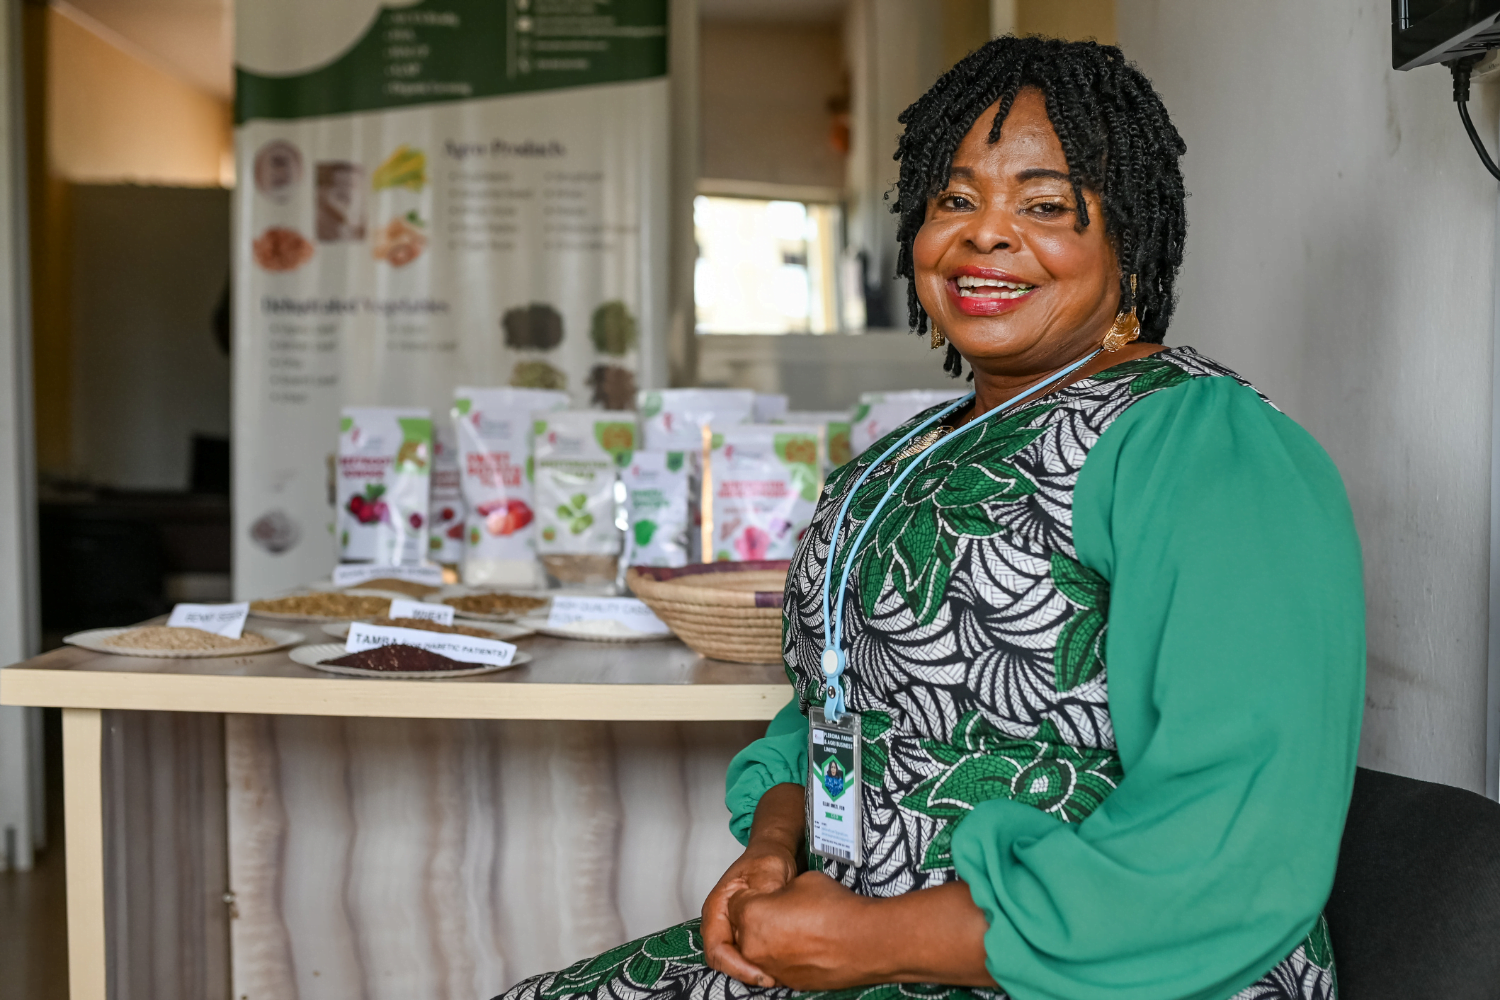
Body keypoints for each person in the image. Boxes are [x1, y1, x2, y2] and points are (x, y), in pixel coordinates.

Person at [497, 35, 1363, 1000]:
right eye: (956, 199)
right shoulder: (903, 458)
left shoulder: (1204, 449)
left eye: (1044, 205)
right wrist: (776, 845)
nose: (985, 236)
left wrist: (875, 941)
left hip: (1087, 971)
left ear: (1133, 235)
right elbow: (837, 701)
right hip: (847, 934)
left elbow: (1232, 846)